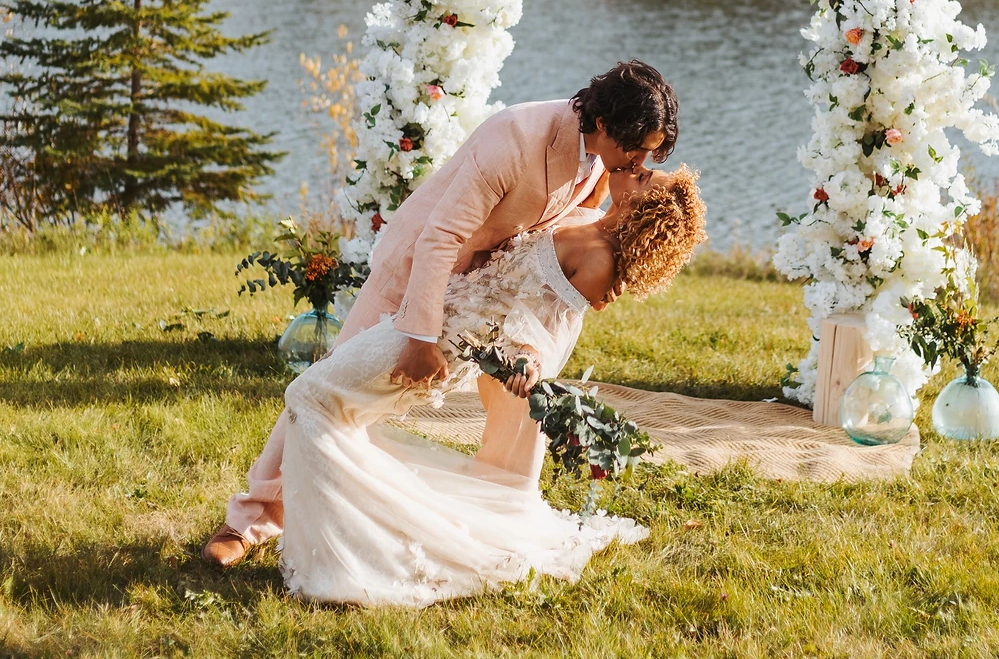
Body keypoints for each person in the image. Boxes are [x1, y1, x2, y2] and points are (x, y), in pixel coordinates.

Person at [203, 61, 680, 566]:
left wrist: (607, 271)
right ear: (604, 124)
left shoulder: (603, 160)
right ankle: (249, 520)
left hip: (481, 293)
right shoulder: (517, 137)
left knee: (375, 404)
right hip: (418, 269)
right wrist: (420, 337)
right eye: (637, 147)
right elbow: (441, 236)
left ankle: (450, 505)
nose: (640, 160)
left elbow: (579, 219)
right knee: (329, 382)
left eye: (651, 152)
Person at [278, 165, 705, 605]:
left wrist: (528, 359)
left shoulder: (599, 261)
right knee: (327, 407)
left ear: (642, 207)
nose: (636, 168)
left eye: (644, 177)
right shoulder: (587, 217)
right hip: (425, 319)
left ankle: (341, 560)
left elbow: (550, 327)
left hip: (442, 348)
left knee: (311, 397)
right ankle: (349, 537)